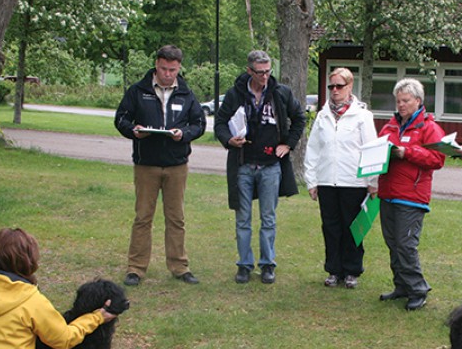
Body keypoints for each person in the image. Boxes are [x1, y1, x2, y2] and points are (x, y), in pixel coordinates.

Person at [115, 45, 206, 287]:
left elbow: (199, 124)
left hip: (177, 165)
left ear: (179, 68)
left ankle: (179, 266)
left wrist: (183, 134)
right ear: (156, 64)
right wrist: (134, 131)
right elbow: (121, 119)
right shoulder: (138, 91)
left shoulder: (186, 94)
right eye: (164, 69)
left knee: (176, 218)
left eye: (173, 70)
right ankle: (136, 268)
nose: (168, 74)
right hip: (146, 164)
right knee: (143, 217)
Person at [214, 50, 306, 284]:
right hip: (243, 164)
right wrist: (228, 140)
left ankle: (267, 264)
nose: (265, 76)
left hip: (270, 166)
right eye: (260, 72)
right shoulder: (236, 94)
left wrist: (288, 144)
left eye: (267, 71)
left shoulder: (281, 93)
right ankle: (244, 265)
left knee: (268, 218)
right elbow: (220, 123)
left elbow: (299, 118)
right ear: (249, 71)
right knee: (243, 218)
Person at [304, 68, 378, 289]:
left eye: (339, 86)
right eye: (331, 86)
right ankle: (334, 270)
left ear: (349, 87)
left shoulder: (362, 116)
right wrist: (312, 180)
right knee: (331, 227)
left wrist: (372, 181)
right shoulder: (322, 115)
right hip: (327, 181)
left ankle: (352, 270)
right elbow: (313, 149)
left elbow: (371, 149)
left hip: (353, 182)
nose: (334, 91)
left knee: (353, 228)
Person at [376, 78, 446, 311]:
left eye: (406, 100)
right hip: (388, 193)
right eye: (398, 101)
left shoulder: (429, 128)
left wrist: (407, 152)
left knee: (406, 245)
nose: (401, 105)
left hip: (411, 196)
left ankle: (418, 289)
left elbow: (438, 159)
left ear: (418, 100)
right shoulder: (390, 126)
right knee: (393, 243)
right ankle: (402, 286)